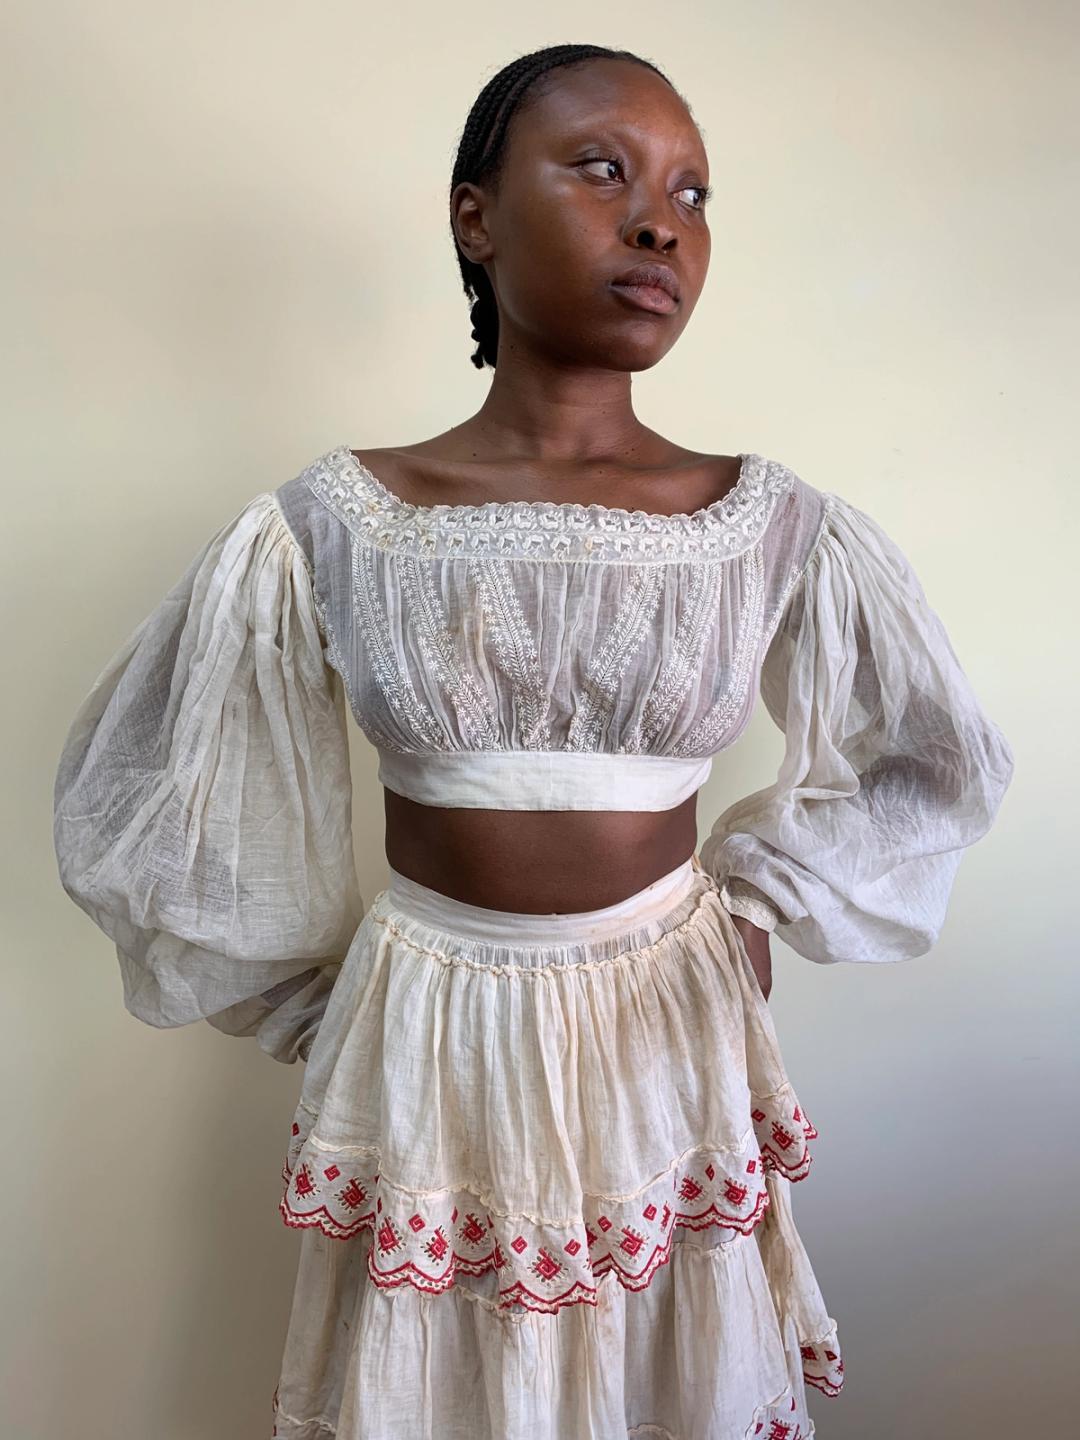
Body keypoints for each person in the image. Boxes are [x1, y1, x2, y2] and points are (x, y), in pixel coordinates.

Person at [51, 42, 1014, 1440]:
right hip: (432, 1031)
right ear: (475, 217)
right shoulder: (340, 521)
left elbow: (936, 759)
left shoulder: (764, 524)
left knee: (667, 1372)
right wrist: (332, 1005)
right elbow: (157, 784)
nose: (659, 223)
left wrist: (763, 901)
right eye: (603, 170)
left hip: (670, 1027)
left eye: (692, 193)